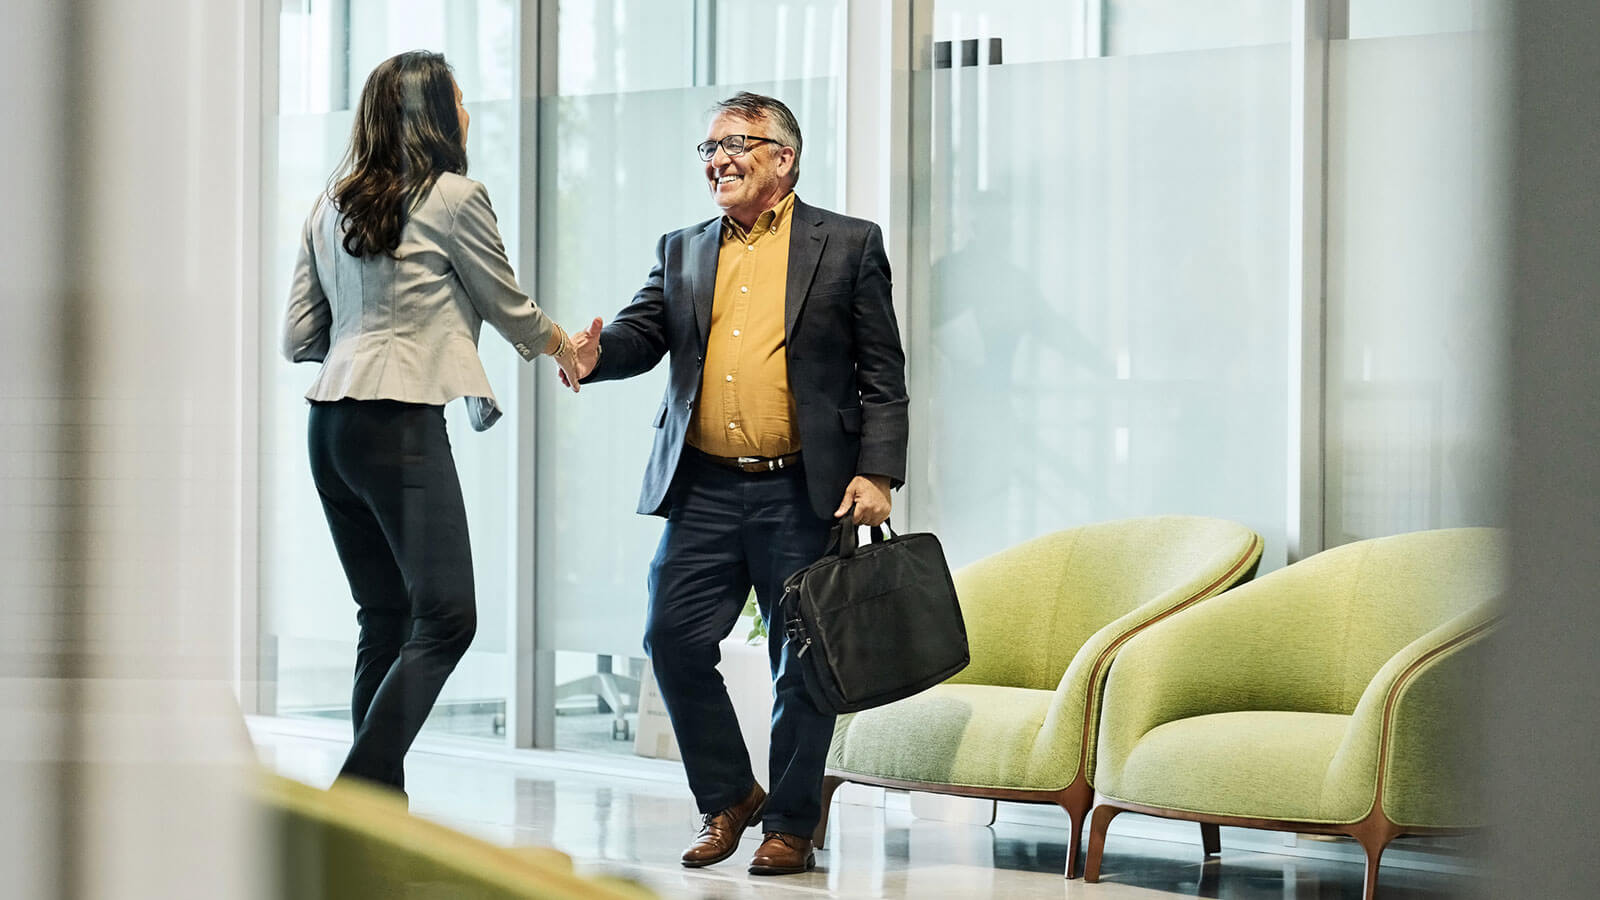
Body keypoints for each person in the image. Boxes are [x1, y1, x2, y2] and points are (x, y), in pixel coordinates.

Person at [563, 92, 909, 875]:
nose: (717, 159)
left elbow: (882, 373)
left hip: (804, 488)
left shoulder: (847, 244)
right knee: (672, 639)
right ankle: (728, 797)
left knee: (803, 659)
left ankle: (791, 823)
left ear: (783, 157)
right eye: (709, 148)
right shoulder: (683, 246)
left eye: (735, 144)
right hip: (705, 488)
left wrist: (879, 470)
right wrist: (592, 355)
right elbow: (641, 331)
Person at [281, 50, 583, 795]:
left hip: (330, 429)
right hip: (399, 428)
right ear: (437, 117)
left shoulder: (330, 203)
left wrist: (364, 330)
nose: (468, 112)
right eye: (458, 98)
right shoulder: (453, 197)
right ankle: (355, 796)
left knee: (383, 618)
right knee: (448, 618)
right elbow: (507, 304)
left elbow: (297, 337)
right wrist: (565, 346)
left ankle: (375, 822)